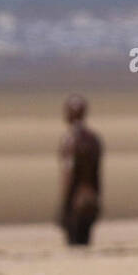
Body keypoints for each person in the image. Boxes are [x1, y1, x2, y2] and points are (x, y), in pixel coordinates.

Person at [58, 93, 103, 245]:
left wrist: (64, 206)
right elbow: (97, 175)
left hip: (76, 201)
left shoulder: (70, 140)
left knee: (74, 245)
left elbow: (69, 175)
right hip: (91, 198)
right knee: (85, 244)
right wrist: (98, 200)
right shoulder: (94, 139)